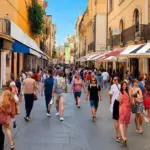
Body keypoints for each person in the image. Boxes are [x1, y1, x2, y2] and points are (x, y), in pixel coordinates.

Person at [109, 76, 121, 142]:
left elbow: (110, 94)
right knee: (118, 120)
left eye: (115, 79)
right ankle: (118, 134)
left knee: (117, 120)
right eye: (114, 79)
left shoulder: (113, 86)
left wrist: (110, 99)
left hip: (116, 103)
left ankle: (118, 135)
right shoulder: (120, 85)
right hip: (119, 103)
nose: (114, 80)